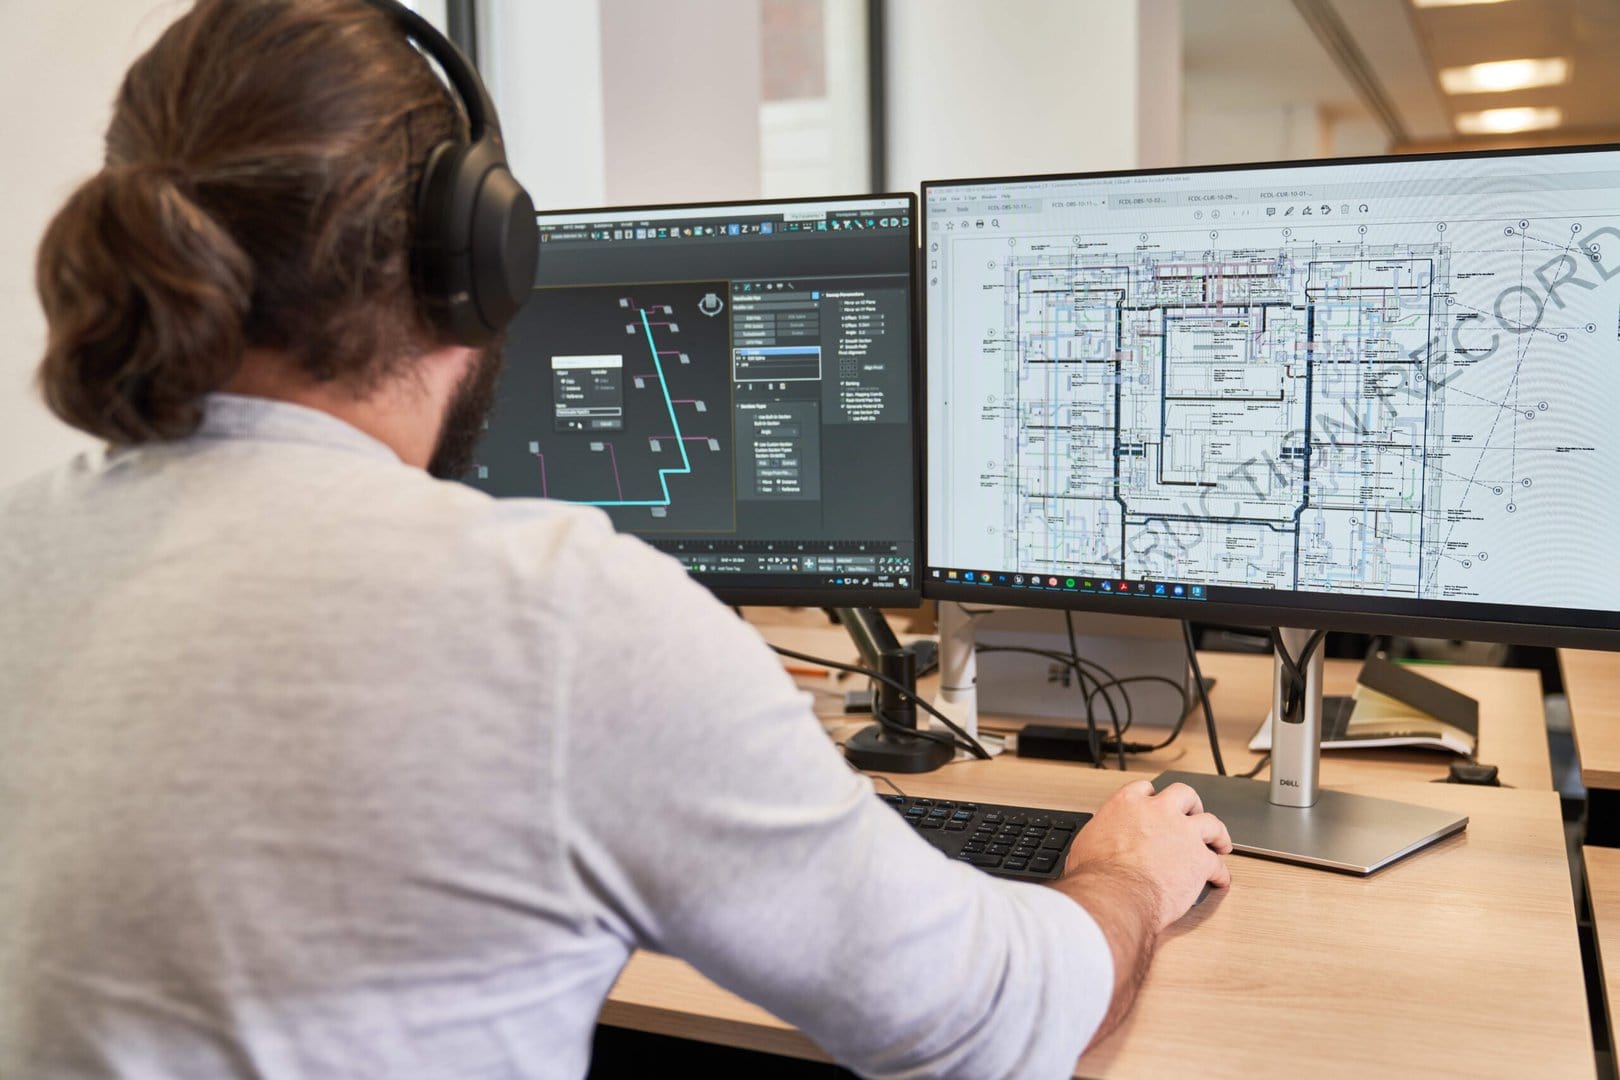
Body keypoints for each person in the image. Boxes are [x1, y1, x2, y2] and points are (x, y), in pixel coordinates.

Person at [0, 1, 1233, 1077]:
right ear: (480, 261)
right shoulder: (559, 618)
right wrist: (1124, 875)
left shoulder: (21, 552)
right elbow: (990, 1019)